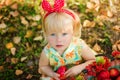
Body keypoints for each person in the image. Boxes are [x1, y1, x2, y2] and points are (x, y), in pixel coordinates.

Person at [38, 0, 97, 80]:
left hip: (80, 73)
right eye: (52, 34)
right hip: (59, 75)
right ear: (46, 34)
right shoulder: (48, 52)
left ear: (73, 32)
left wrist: (80, 68)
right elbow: (43, 66)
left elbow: (92, 60)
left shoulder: (79, 46)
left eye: (64, 34)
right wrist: (51, 73)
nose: (59, 40)